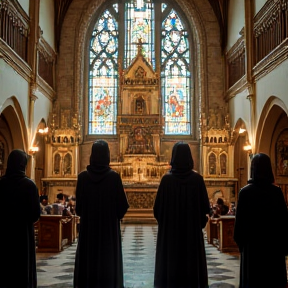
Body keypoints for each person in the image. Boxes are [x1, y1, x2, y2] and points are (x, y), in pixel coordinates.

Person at [153, 141, 210, 288]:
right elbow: (205, 208)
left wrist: (167, 224)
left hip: (170, 236)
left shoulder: (167, 180)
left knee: (170, 265)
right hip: (191, 235)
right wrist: (197, 223)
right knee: (191, 266)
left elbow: (157, 209)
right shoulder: (197, 180)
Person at [73, 140, 129, 288]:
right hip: (108, 231)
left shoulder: (83, 177)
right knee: (108, 261)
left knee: (88, 259)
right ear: (107, 156)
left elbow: (78, 209)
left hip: (89, 230)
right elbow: (122, 206)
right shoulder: (114, 177)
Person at [234, 153, 288, 288]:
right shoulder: (276, 192)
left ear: (252, 169)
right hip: (273, 248)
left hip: (252, 248)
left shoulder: (245, 192)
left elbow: (239, 225)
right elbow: (284, 222)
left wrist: (242, 244)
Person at [0, 149, 41, 288]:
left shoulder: (1, 184)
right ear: (23, 164)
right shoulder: (29, 185)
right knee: (22, 266)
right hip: (23, 234)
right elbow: (36, 214)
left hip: (3, 232)